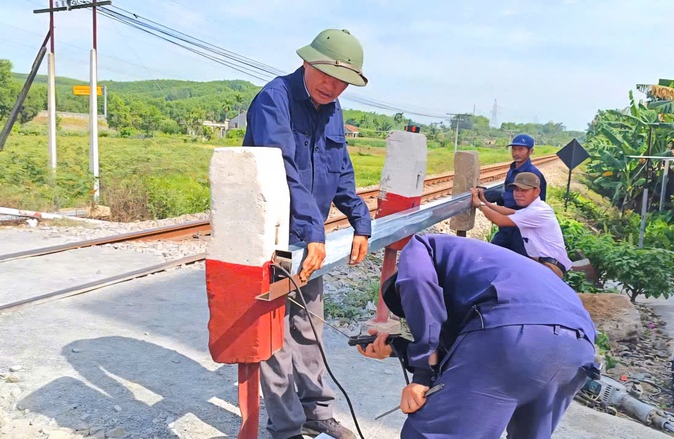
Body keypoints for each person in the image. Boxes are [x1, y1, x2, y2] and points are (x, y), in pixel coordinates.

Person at [243, 29, 371, 439]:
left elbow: (341, 170)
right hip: (271, 237)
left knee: (309, 326)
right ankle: (286, 427)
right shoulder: (274, 101)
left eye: (342, 82)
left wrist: (360, 220)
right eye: (326, 75)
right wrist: (313, 229)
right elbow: (283, 169)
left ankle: (317, 410)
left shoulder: (332, 109)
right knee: (275, 337)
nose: (332, 87)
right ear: (307, 62)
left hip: (307, 238)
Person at [358, 234, 597, 439]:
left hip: (511, 332)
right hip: (579, 348)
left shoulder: (421, 246)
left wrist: (422, 374)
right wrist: (399, 349)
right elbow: (462, 357)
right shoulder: (483, 270)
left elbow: (418, 289)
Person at [472, 172, 572, 277]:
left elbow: (500, 220)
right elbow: (510, 212)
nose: (518, 194)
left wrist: (479, 204)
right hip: (545, 264)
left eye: (524, 190)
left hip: (549, 267)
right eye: (516, 190)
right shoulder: (537, 207)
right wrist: (485, 202)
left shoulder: (537, 212)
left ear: (536, 191)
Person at [485, 134, 547, 256]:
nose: (516, 153)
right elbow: (507, 195)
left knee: (519, 259)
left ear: (530, 151)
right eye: (514, 149)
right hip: (508, 225)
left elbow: (522, 202)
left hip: (523, 229)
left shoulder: (532, 174)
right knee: (492, 255)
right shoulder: (512, 169)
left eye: (521, 149)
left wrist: (497, 196)